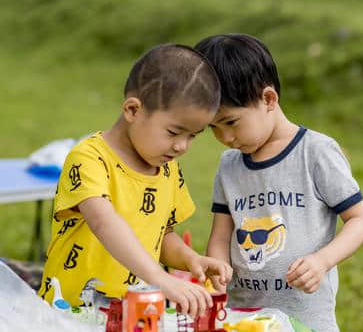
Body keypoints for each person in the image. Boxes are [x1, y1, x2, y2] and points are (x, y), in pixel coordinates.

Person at [38, 44, 233, 319]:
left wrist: (191, 259)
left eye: (192, 136)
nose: (181, 146)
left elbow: (162, 236)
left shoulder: (168, 170)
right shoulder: (89, 159)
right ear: (132, 110)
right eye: (174, 131)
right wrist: (159, 278)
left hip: (135, 316)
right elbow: (104, 222)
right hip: (68, 314)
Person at [196, 34, 363, 331]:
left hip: (307, 320)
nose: (224, 138)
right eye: (213, 127)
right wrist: (216, 269)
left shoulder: (315, 152)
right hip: (245, 319)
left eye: (231, 122)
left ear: (268, 99)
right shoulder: (229, 165)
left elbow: (360, 221)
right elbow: (221, 236)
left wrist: (322, 261)